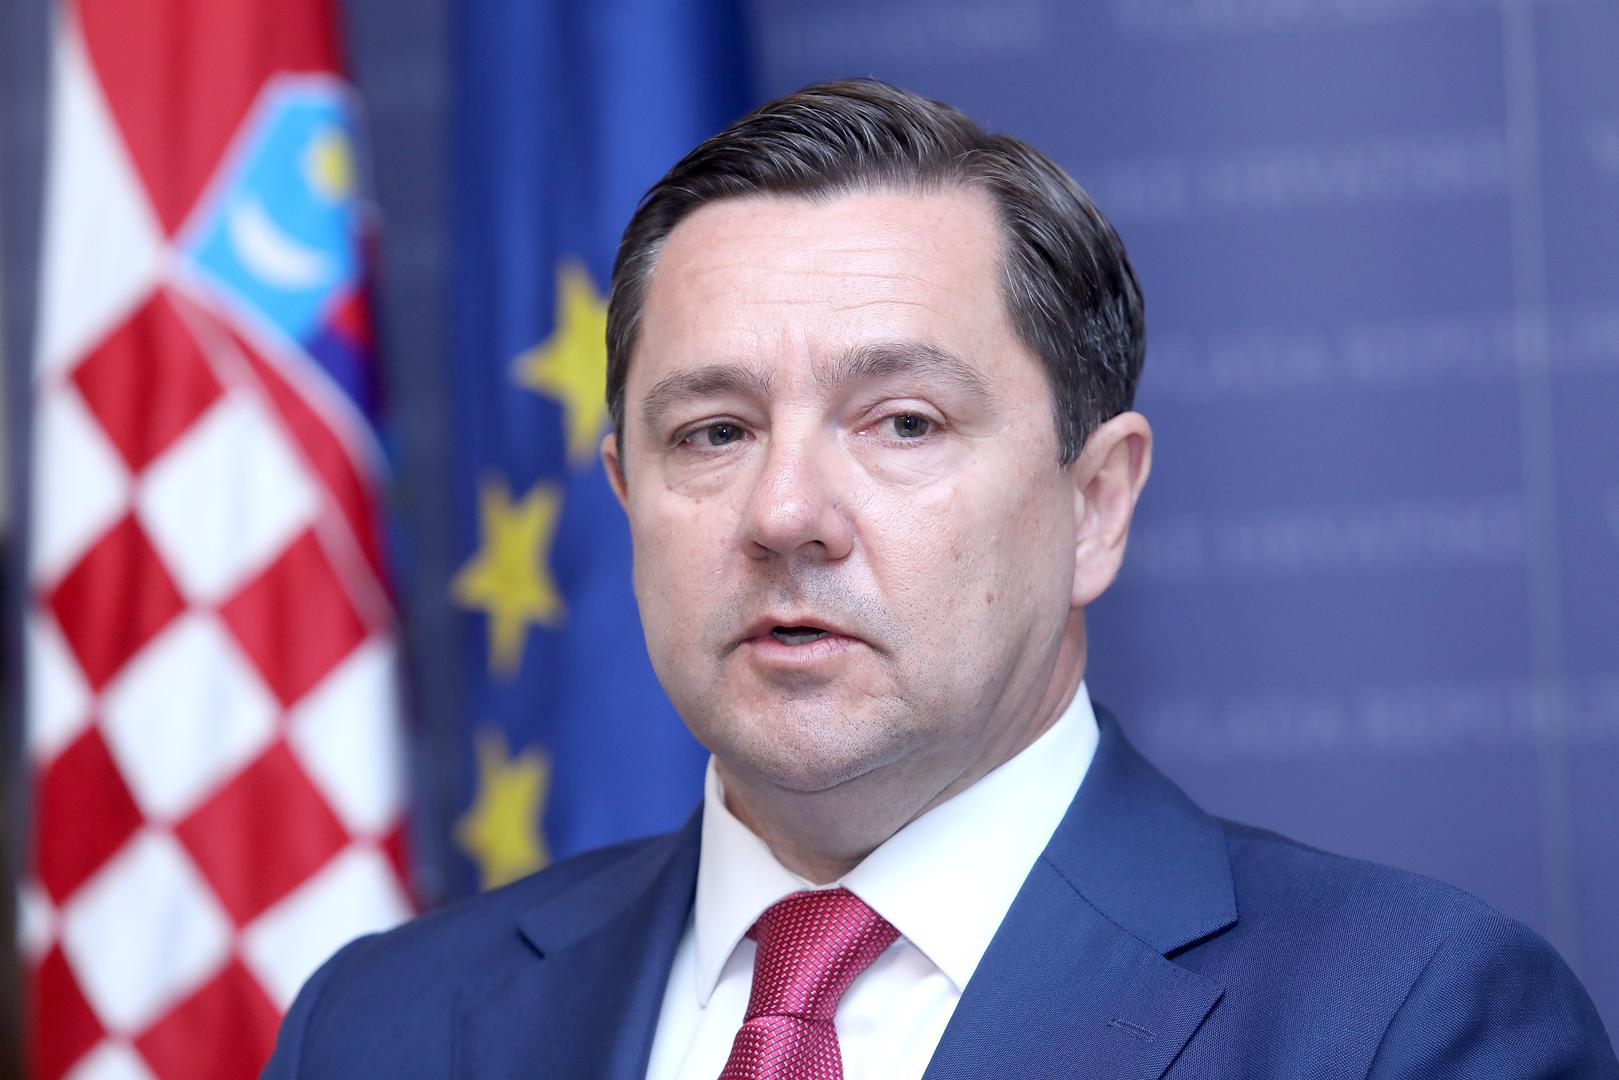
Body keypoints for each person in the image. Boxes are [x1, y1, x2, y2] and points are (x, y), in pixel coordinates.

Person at [264, 79, 1616, 1078]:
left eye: (903, 423)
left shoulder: (1402, 1023)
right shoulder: (382, 1029)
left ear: (1097, 504)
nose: (785, 513)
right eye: (714, 433)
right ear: (625, 496)